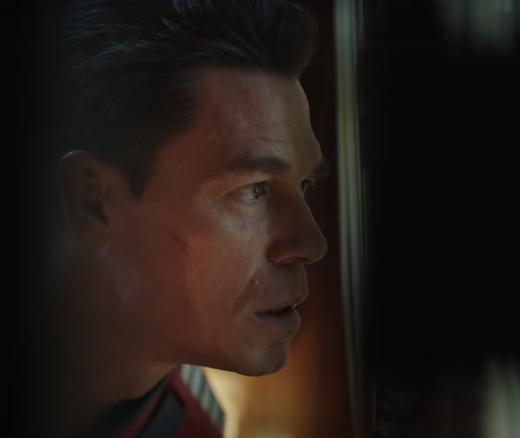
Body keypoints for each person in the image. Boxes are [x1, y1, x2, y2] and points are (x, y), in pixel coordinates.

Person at [32, 0, 329, 436]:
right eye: (254, 189)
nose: (312, 243)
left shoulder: (197, 425)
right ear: (93, 201)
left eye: (303, 185)